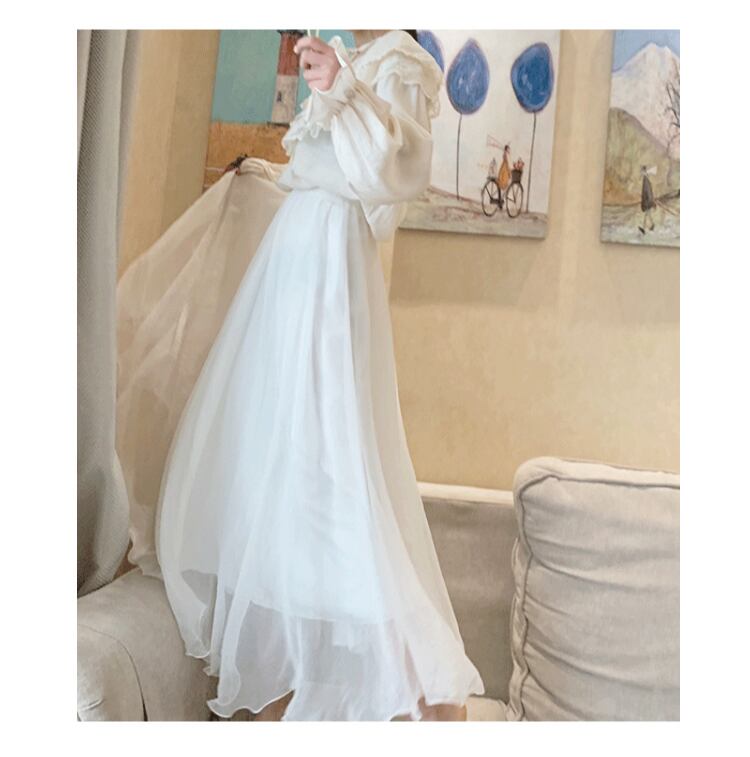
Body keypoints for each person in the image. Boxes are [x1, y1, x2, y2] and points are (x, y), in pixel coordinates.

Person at [154, 29, 485, 722]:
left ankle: (413, 694)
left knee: (332, 461)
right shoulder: (351, 58)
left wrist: (346, 89)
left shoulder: (398, 61)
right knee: (284, 469)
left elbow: (387, 182)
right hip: (292, 263)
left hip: (331, 270)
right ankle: (293, 683)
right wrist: (264, 172)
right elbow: (318, 170)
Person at [638, 164, 657, 234]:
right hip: (647, 200)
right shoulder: (646, 179)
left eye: (641, 171)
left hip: (647, 201)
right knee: (647, 214)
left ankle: (645, 228)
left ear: (643, 171)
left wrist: (648, 201)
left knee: (647, 214)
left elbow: (647, 191)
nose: (640, 173)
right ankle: (651, 225)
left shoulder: (645, 180)